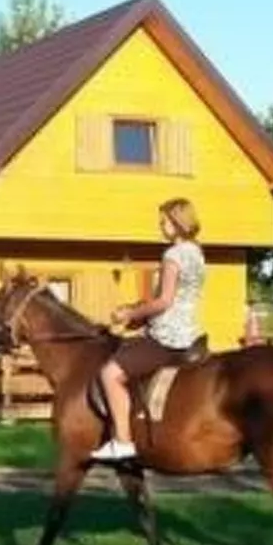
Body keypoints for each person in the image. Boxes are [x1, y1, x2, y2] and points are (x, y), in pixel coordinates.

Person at [89, 198, 206, 463]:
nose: (160, 226)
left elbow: (164, 301)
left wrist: (128, 313)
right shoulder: (197, 253)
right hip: (190, 333)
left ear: (177, 223)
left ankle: (122, 441)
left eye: (164, 221)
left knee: (110, 373)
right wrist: (141, 316)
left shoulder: (173, 255)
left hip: (167, 337)